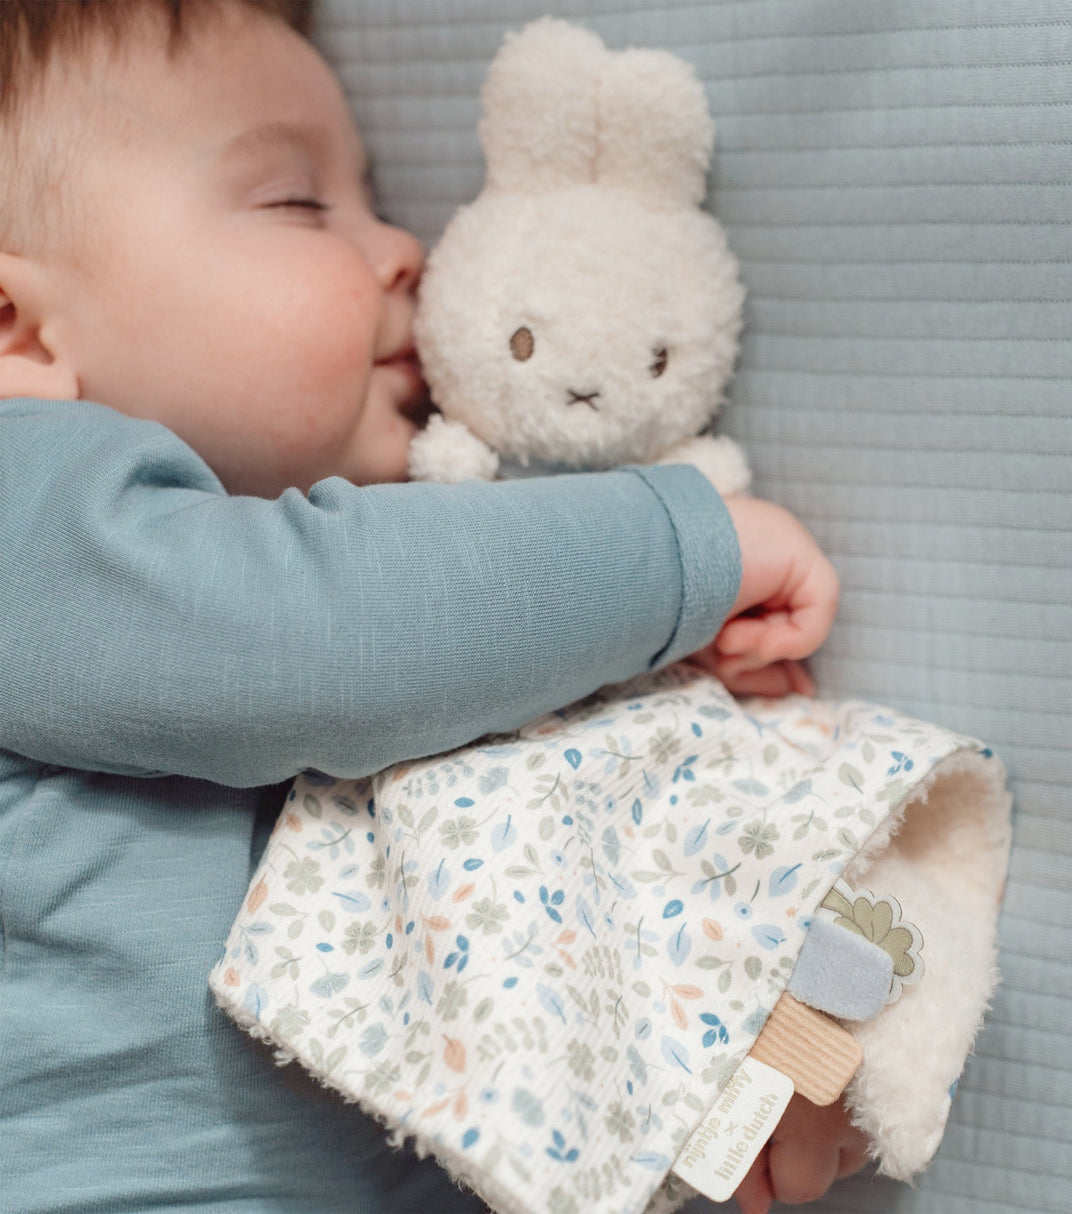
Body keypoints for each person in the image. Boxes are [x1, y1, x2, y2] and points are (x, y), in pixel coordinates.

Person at [0, 1, 859, 1209]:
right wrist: (674, 547)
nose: (405, 243)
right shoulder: (21, 500)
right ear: (14, 327)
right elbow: (308, 635)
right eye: (299, 203)